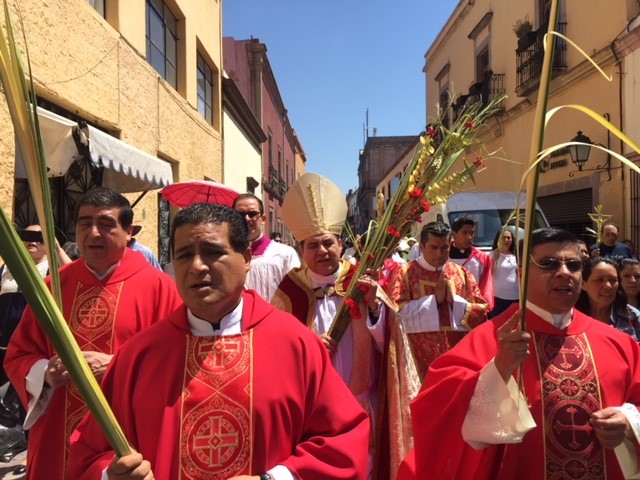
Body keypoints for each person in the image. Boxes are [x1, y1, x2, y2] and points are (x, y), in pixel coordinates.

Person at [67, 202, 370, 480]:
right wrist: (111, 475)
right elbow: (89, 452)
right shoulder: (140, 355)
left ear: (247, 258)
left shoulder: (295, 344)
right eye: (184, 255)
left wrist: (276, 479)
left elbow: (342, 438)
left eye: (212, 252)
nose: (197, 266)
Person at [399, 228, 640, 480]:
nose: (564, 272)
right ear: (521, 274)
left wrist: (628, 420)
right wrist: (499, 369)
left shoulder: (619, 343)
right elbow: (436, 411)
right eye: (549, 263)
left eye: (574, 265)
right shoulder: (490, 338)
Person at [4, 187, 182, 480]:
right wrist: (45, 374)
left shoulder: (161, 288)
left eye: (106, 224)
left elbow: (176, 362)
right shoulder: (52, 288)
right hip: (56, 431)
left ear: (129, 231)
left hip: (125, 433)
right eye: (85, 223)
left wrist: (117, 367)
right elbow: (19, 355)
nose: (94, 233)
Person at [272, 173, 385, 477]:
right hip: (314, 398)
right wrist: (308, 347)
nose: (321, 251)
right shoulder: (289, 289)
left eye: (327, 243)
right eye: (312, 246)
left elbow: (388, 339)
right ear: (301, 250)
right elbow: (276, 345)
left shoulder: (361, 280)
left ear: (341, 244)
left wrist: (375, 307)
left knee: (364, 462)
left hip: (360, 390)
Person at [383, 220, 489, 478]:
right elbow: (393, 314)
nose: (441, 254)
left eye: (445, 247)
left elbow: (482, 310)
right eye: (434, 248)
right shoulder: (406, 273)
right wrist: (433, 301)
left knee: (454, 419)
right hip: (418, 359)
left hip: (455, 357)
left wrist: (458, 303)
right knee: (424, 419)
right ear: (421, 246)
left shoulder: (461, 273)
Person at [0, 225, 73, 474]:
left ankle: (29, 455)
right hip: (7, 345)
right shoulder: (8, 268)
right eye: (26, 237)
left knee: (29, 401)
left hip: (36, 347)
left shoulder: (51, 268)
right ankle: (17, 439)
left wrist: (54, 246)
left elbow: (72, 273)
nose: (31, 243)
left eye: (37, 238)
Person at [233, 193, 300, 301]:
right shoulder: (227, 255)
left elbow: (296, 295)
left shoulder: (285, 254)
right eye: (240, 214)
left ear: (263, 219)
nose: (246, 219)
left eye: (252, 214)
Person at [575, 256, 640, 340]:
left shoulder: (633, 316)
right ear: (583, 284)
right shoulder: (569, 319)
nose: (608, 286)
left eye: (613, 280)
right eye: (599, 280)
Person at [449, 216, 494, 311]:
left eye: (472, 233)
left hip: (472, 308)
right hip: (448, 306)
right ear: (454, 234)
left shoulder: (482, 258)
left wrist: (483, 307)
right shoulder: (443, 256)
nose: (469, 237)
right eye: (465, 233)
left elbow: (486, 286)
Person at [490, 228, 519, 317]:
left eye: (508, 238)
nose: (506, 240)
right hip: (498, 297)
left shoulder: (517, 255)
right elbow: (488, 273)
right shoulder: (492, 254)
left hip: (516, 297)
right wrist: (493, 259)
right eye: (503, 237)